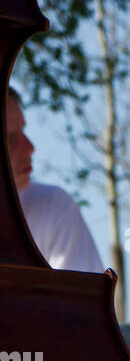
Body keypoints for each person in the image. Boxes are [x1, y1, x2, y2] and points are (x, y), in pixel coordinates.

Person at [5, 86, 104, 273]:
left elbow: (78, 301)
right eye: (9, 138)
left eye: (23, 130)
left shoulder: (53, 207)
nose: (30, 147)